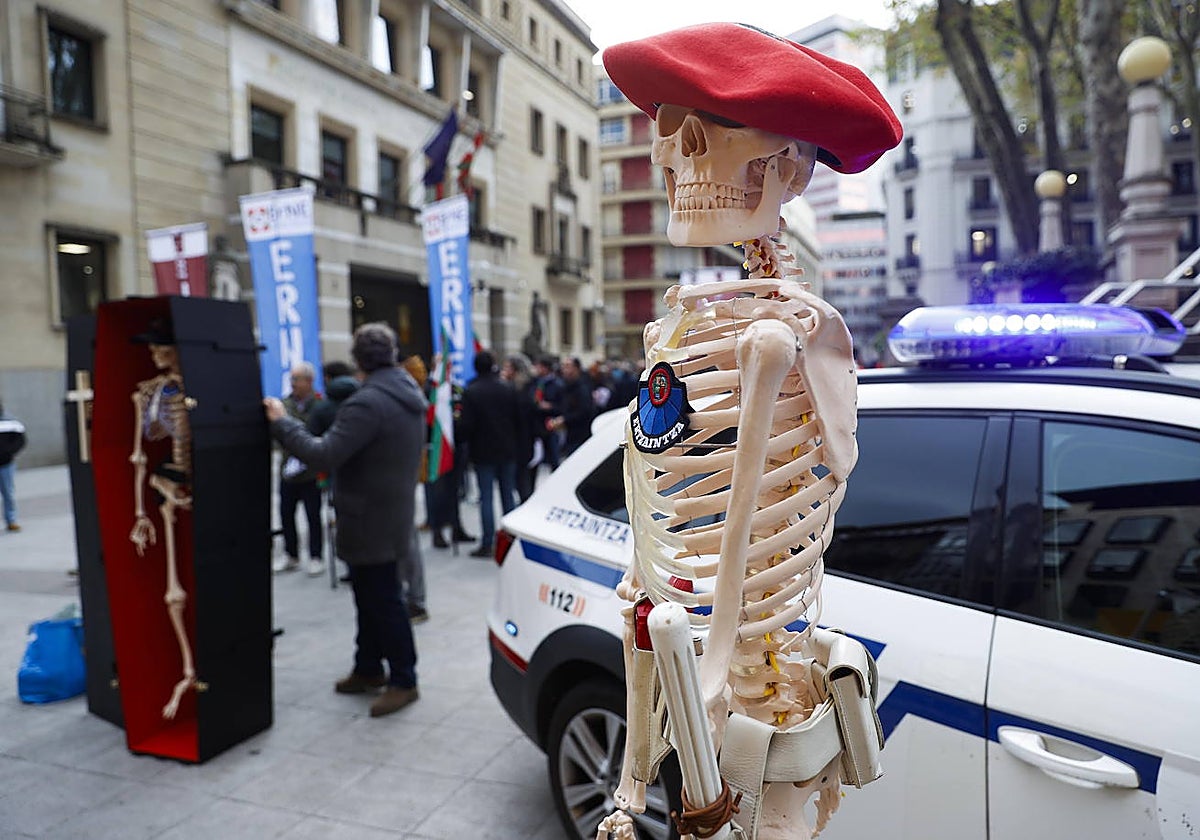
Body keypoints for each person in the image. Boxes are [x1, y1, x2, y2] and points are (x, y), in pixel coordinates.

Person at [264, 323, 425, 718]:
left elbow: (323, 454)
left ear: (358, 360)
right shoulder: (405, 390)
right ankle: (368, 667)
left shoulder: (368, 402)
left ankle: (404, 679)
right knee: (370, 596)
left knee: (383, 599)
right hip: (389, 512)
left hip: (370, 516)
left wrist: (283, 422)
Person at [460, 350, 520, 557]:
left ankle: (488, 543)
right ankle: (511, 540)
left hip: (483, 451)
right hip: (507, 448)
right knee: (507, 496)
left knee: (486, 497)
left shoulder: (472, 391)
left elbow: (466, 425)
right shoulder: (508, 388)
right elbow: (517, 419)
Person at [274, 362, 326, 576]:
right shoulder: (284, 405)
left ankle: (316, 556)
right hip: (288, 470)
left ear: (309, 381)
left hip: (311, 470)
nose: (293, 383)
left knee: (313, 515)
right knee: (286, 513)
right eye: (292, 379)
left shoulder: (319, 405)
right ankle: (291, 554)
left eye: (297, 379)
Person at [501, 353, 542, 502]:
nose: (504, 371)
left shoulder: (520, 389)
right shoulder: (524, 386)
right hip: (522, 439)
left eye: (507, 367)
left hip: (523, 439)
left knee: (523, 480)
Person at [553, 356, 595, 458]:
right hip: (570, 436)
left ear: (576, 369)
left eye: (567, 366)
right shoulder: (565, 386)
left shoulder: (583, 387)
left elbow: (585, 411)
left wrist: (564, 420)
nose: (564, 370)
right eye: (563, 366)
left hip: (580, 437)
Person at [0, 400, 27, 532]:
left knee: (8, 493)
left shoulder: (11, 422)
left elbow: (20, 440)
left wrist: (9, 452)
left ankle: (11, 520)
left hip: (6, 464)